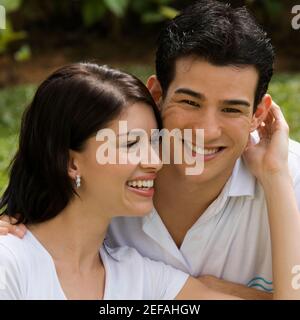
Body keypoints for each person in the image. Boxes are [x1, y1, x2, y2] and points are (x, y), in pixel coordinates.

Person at [2, 0, 300, 299]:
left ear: (259, 114)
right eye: (190, 102)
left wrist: (275, 177)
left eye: (231, 109)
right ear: (157, 94)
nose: (207, 131)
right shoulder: (19, 256)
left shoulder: (139, 276)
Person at [0, 62, 242, 300]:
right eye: (130, 144)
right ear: (71, 163)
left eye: (153, 142)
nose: (155, 161)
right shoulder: (10, 263)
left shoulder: (139, 278)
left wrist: (276, 176)